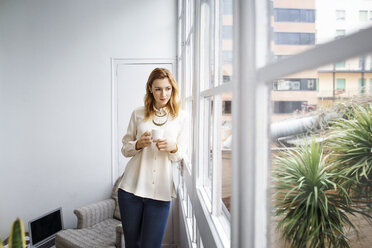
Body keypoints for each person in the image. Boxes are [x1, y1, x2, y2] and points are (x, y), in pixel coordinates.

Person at [117, 68, 188, 248]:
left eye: (168, 88)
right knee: (132, 245)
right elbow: (125, 148)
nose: (163, 94)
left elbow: (180, 155)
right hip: (130, 190)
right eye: (158, 89)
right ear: (150, 88)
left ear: (173, 89)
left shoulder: (182, 117)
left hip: (160, 193)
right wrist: (138, 144)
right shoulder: (138, 113)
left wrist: (174, 148)